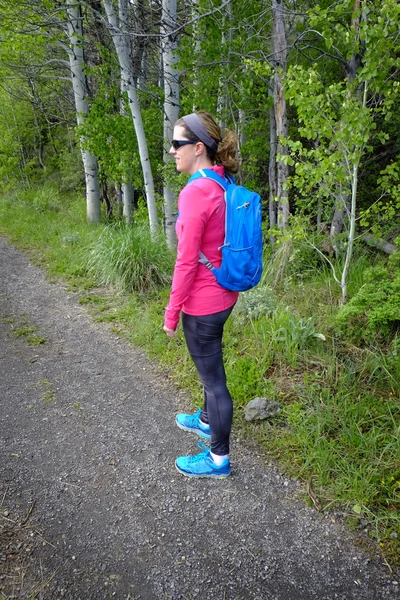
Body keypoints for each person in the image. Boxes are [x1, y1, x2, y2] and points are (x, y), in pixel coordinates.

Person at [163, 111, 240, 479]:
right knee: (210, 370)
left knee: (213, 380)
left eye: (177, 144)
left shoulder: (196, 191)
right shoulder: (222, 182)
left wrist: (171, 312)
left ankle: (218, 461)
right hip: (223, 295)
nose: (171, 150)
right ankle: (207, 419)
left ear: (197, 148)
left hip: (203, 303)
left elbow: (186, 259)